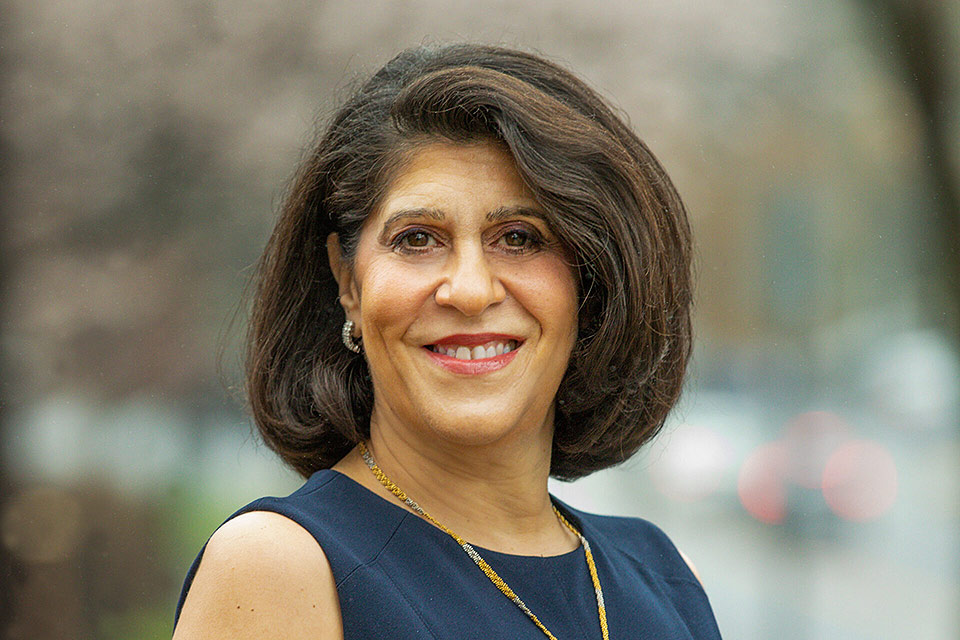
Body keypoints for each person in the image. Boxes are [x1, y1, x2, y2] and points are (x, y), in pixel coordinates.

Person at [172, 43, 722, 639]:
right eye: (417, 239)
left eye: (518, 237)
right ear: (347, 280)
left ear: (590, 281)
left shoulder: (662, 578)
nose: (469, 290)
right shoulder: (279, 569)